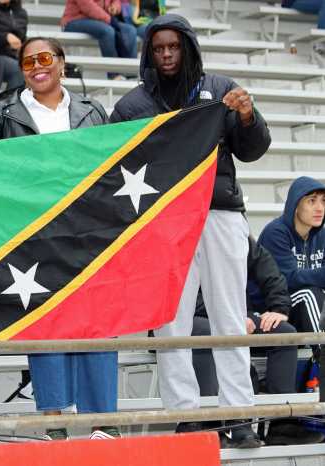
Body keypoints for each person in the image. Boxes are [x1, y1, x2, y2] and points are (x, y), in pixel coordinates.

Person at [110, 14, 271, 448]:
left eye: (174, 47)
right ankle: (186, 418)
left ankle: (239, 414)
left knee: (229, 315)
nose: (166, 55)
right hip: (163, 222)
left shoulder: (221, 91)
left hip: (219, 214)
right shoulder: (131, 106)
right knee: (171, 321)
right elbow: (113, 169)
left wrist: (248, 115)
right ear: (148, 51)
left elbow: (253, 150)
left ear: (188, 47)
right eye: (158, 48)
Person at [0, 37, 119, 440]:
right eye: (27, 62)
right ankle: (53, 418)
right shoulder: (5, 110)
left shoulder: (93, 111)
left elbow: (113, 165)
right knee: (46, 320)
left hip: (88, 231)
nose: (36, 67)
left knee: (98, 321)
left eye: (44, 58)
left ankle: (102, 421)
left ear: (61, 63)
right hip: (35, 231)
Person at [191, 236, 324, 445]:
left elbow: (268, 268)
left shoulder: (230, 226)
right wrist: (230, 317)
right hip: (185, 318)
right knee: (209, 334)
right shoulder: (179, 230)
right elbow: (178, 297)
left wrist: (279, 308)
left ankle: (281, 424)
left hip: (235, 315)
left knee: (285, 334)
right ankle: (211, 426)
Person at [259, 177, 325, 352]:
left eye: (323, 201)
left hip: (305, 308)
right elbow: (288, 279)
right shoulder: (276, 232)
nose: (320, 208)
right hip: (271, 308)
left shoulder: (321, 235)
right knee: (310, 293)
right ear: (296, 206)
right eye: (312, 201)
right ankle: (321, 354)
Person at [61, 0, 137, 80]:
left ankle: (131, 74)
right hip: (74, 21)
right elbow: (88, 6)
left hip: (102, 21)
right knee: (107, 31)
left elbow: (116, 1)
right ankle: (114, 74)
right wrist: (109, 19)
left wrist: (115, 7)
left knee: (130, 30)